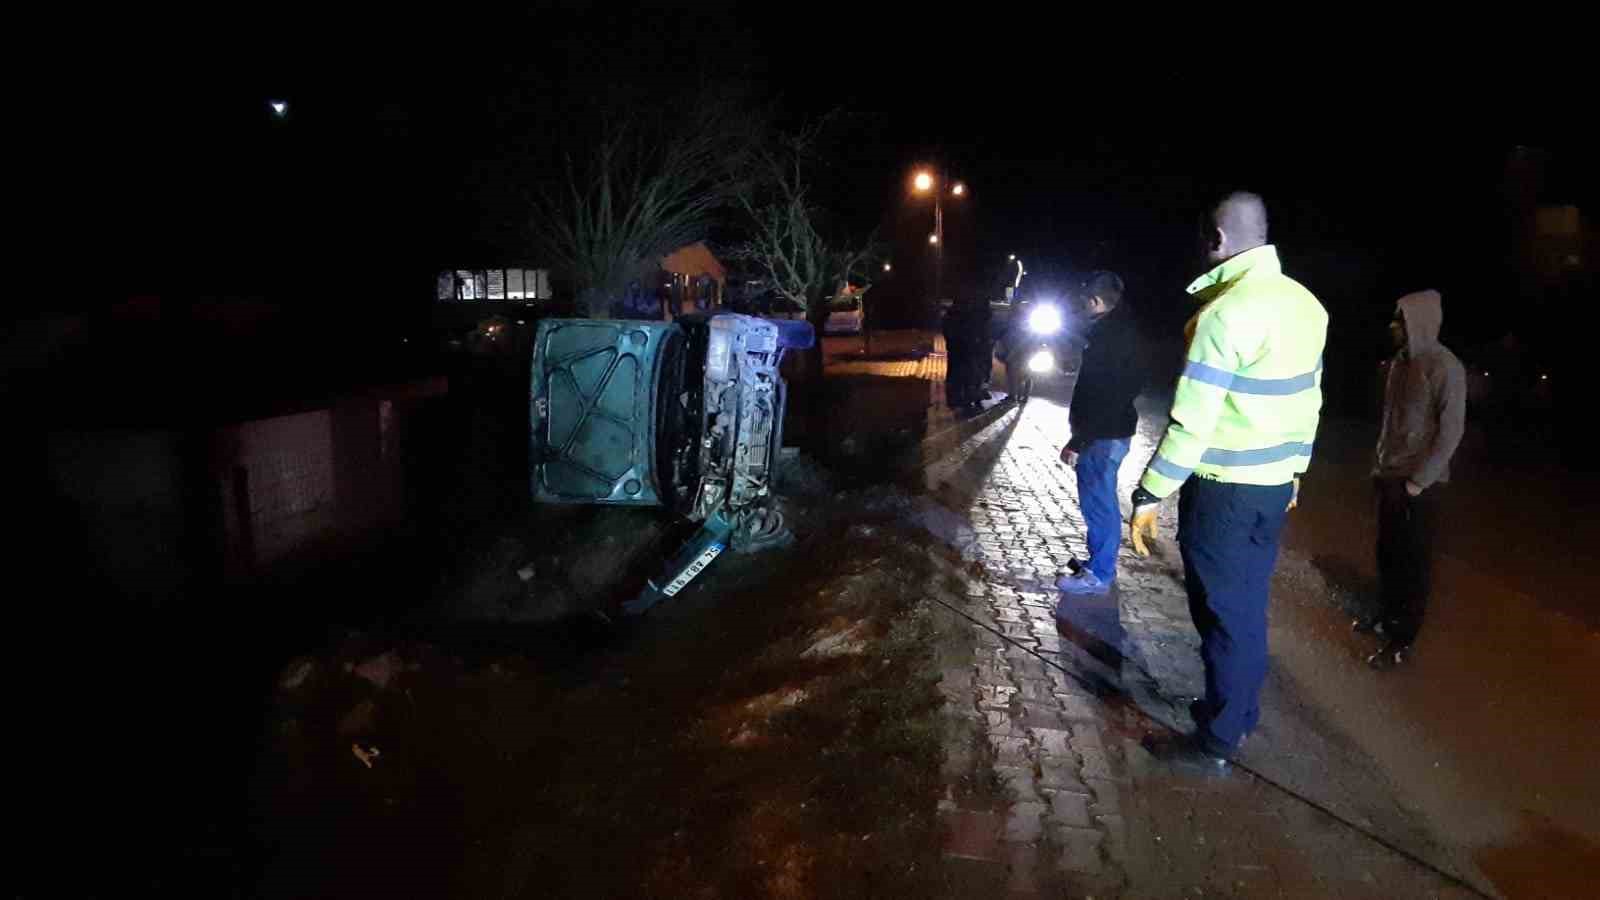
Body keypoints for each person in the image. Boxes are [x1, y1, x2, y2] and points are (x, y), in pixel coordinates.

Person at [1128, 192, 1329, 768]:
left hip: (1224, 493)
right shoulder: (1306, 306)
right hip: (1270, 490)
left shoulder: (1224, 314)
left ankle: (1218, 741)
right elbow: (1307, 404)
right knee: (1244, 608)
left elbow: (1192, 422)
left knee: (1222, 612)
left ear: (1216, 240)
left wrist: (1150, 493)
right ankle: (1235, 710)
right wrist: (1294, 473)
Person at [1360, 290, 1465, 669]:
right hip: (1390, 476)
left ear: (1417, 323)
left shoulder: (1444, 367)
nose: (1393, 327)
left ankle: (1402, 639)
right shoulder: (1398, 366)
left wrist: (1417, 483)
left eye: (1399, 321)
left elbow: (1450, 433)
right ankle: (1386, 614)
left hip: (1421, 486)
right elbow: (1390, 425)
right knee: (1387, 552)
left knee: (1413, 563)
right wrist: (1379, 467)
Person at [1056, 271, 1142, 598]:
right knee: (1098, 501)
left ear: (1095, 301)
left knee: (1099, 504)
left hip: (1102, 437)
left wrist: (1079, 440)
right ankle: (1098, 562)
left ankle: (1100, 573)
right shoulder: (1122, 329)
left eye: (1085, 301)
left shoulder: (1110, 337)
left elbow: (1104, 395)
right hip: (1108, 432)